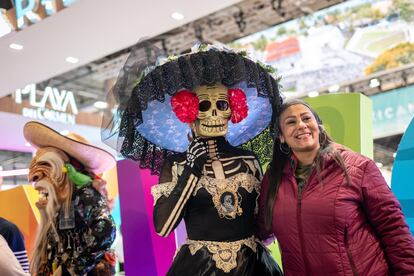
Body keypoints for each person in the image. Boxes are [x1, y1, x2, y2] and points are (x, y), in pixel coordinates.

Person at [102, 43, 284, 275]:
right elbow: (164, 227)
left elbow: (264, 218)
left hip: (253, 266)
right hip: (199, 267)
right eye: (204, 106)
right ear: (188, 111)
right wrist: (192, 169)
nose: (215, 114)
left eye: (222, 105)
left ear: (232, 109)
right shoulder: (176, 164)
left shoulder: (249, 160)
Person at [257, 99, 414, 275]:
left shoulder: (358, 168)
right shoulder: (273, 180)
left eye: (306, 119)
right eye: (291, 122)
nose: (301, 125)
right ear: (281, 137)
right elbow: (261, 230)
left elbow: (393, 229)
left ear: (319, 126)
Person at [23, 121, 117, 275]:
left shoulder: (84, 195)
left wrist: (72, 268)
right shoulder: (59, 202)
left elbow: (105, 228)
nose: (35, 175)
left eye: (47, 165)